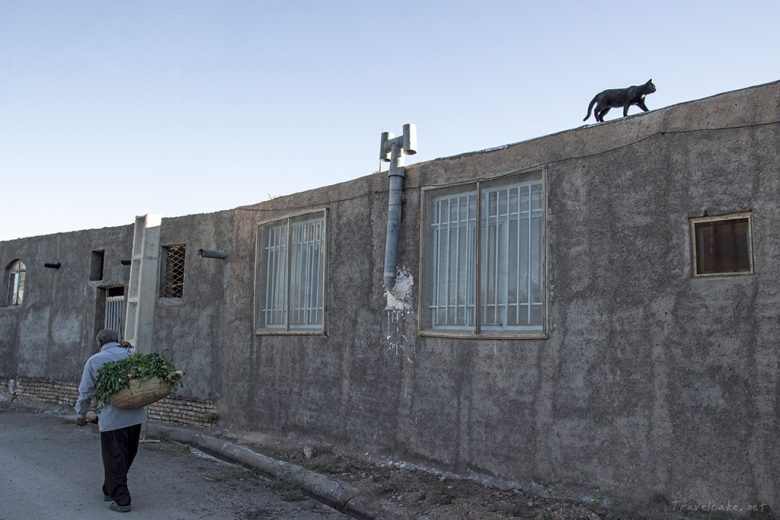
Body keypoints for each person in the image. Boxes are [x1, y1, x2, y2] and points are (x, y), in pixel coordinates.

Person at [75, 329, 146, 513]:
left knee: (114, 457)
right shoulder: (132, 354)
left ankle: (122, 499)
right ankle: (109, 488)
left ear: (99, 343)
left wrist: (81, 414)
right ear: (118, 340)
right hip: (135, 415)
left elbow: (86, 391)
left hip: (113, 418)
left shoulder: (95, 360)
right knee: (127, 454)